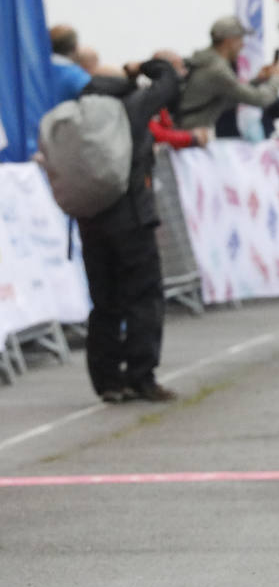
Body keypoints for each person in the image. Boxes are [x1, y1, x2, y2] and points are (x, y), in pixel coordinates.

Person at [78, 54, 188, 403]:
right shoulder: (130, 107)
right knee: (143, 297)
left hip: (90, 218)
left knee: (104, 302)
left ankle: (108, 381)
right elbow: (169, 79)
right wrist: (142, 68)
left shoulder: (77, 113)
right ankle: (141, 376)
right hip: (131, 217)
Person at [177, 16, 279, 135]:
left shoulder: (207, 62)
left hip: (188, 132)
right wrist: (276, 78)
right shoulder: (217, 69)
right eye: (240, 39)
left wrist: (258, 80)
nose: (243, 45)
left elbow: (232, 96)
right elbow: (260, 99)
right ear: (230, 41)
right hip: (192, 135)